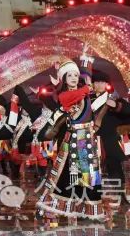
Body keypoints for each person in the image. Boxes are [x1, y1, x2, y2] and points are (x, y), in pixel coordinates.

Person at [36, 60, 108, 221]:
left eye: (76, 75)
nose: (74, 78)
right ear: (64, 79)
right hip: (74, 140)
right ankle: (50, 206)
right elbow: (70, 97)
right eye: (70, 75)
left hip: (87, 140)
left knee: (89, 176)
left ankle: (90, 210)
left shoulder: (85, 95)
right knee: (67, 175)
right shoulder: (65, 96)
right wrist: (87, 87)